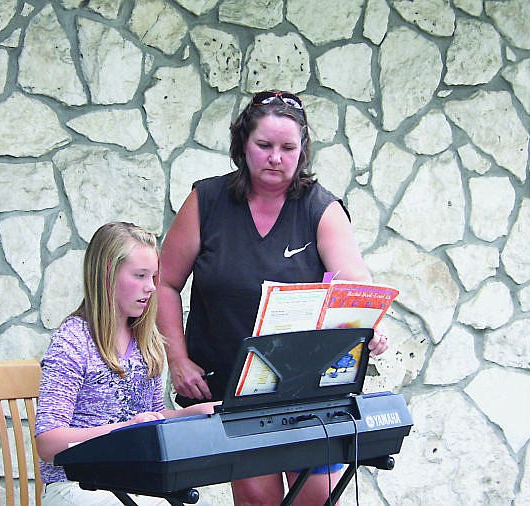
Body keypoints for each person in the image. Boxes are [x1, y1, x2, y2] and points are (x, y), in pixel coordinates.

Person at [157, 90, 389, 506]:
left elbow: (352, 279)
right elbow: (165, 283)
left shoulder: (322, 208)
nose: (275, 158)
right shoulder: (206, 201)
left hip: (308, 390)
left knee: (314, 500)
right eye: (264, 146)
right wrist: (177, 359)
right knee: (258, 501)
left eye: (288, 148)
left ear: (303, 152)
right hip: (230, 388)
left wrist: (370, 321)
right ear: (242, 145)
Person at [35, 221, 218, 506]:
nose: (151, 287)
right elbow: (49, 443)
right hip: (76, 486)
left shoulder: (147, 341)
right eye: (140, 275)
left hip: (133, 484)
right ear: (107, 274)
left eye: (154, 277)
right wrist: (124, 430)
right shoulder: (72, 341)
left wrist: (190, 415)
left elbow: (150, 420)